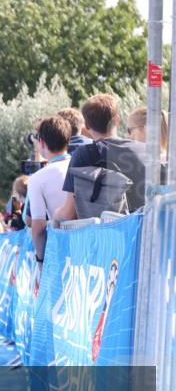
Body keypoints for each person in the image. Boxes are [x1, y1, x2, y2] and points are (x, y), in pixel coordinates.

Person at [55, 93, 147, 223]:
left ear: (86, 126)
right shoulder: (143, 150)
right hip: (142, 230)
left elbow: (69, 213)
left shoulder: (83, 155)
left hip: (105, 233)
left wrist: (56, 216)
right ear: (117, 120)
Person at [27, 115, 72, 269]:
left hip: (62, 253)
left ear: (41, 143)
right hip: (90, 249)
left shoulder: (37, 179)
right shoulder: (83, 165)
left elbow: (38, 228)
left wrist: (40, 261)